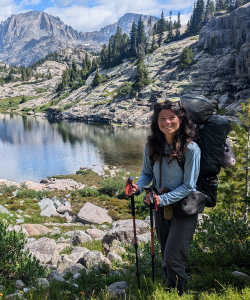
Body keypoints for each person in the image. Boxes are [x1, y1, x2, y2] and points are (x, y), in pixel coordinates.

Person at [129, 98, 200, 296]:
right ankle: (169, 288)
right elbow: (146, 173)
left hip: (185, 207)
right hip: (160, 205)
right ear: (156, 121)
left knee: (172, 255)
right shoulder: (152, 144)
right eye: (162, 118)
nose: (166, 122)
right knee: (165, 250)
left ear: (181, 119)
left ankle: (179, 292)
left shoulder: (191, 149)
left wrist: (162, 199)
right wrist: (138, 187)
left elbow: (189, 185)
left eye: (172, 117)